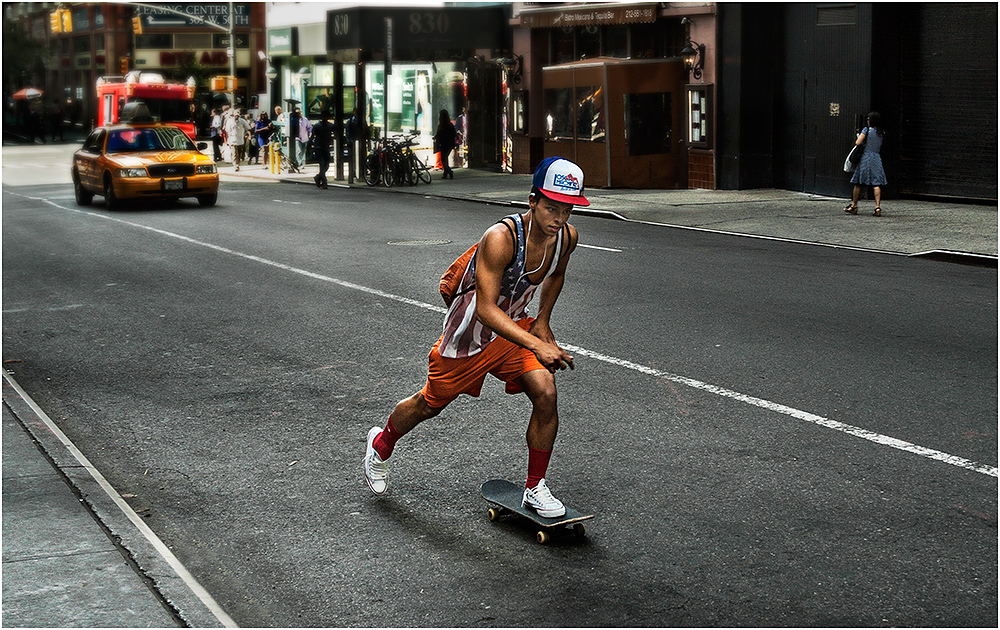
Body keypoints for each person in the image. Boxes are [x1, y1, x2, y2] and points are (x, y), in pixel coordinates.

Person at [363, 157, 590, 518]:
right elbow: (485, 308)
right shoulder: (501, 238)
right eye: (551, 207)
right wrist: (537, 342)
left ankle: (534, 488)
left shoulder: (566, 239)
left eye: (567, 209)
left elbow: (556, 275)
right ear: (532, 201)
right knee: (429, 404)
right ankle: (380, 444)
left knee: (546, 393)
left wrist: (543, 322)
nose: (559, 218)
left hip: (513, 330)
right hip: (468, 335)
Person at [844, 111, 887, 217]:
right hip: (876, 158)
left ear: (870, 120)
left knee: (858, 182)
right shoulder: (881, 132)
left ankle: (854, 206)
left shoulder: (866, 130)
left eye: (868, 119)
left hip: (866, 157)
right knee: (876, 183)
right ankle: (877, 207)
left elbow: (858, 143)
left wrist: (859, 136)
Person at [310, 110, 335, 189]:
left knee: (327, 165)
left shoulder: (330, 126)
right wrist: (309, 145)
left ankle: (318, 177)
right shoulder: (317, 126)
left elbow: (335, 133)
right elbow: (312, 136)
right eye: (324, 116)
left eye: (326, 117)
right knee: (322, 164)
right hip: (318, 147)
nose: (325, 118)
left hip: (326, 147)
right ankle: (324, 182)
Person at [433, 109, 458, 179]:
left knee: (443, 160)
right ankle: (445, 174)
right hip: (450, 144)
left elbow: (438, 135)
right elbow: (454, 134)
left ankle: (449, 171)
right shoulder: (450, 125)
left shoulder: (441, 126)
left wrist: (435, 138)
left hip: (443, 145)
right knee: (445, 159)